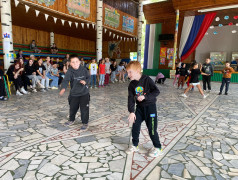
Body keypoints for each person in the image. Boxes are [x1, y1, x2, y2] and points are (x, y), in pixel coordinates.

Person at [126, 61, 163, 157]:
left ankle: (158, 147)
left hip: (150, 108)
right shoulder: (131, 85)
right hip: (140, 108)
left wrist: (145, 97)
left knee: (152, 129)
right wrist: (131, 112)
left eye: (130, 72)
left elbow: (156, 91)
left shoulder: (147, 79)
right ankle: (134, 145)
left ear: (138, 71)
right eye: (127, 72)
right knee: (135, 124)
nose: (128, 74)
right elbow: (131, 98)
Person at [59, 54, 90, 130]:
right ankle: (71, 120)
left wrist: (85, 81)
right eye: (73, 62)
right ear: (70, 63)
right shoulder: (69, 71)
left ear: (79, 62)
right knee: (72, 108)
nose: (75, 63)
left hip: (84, 93)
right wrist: (63, 88)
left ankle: (85, 122)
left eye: (76, 61)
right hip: (74, 94)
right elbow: (65, 80)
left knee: (84, 109)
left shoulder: (84, 70)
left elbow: (88, 78)